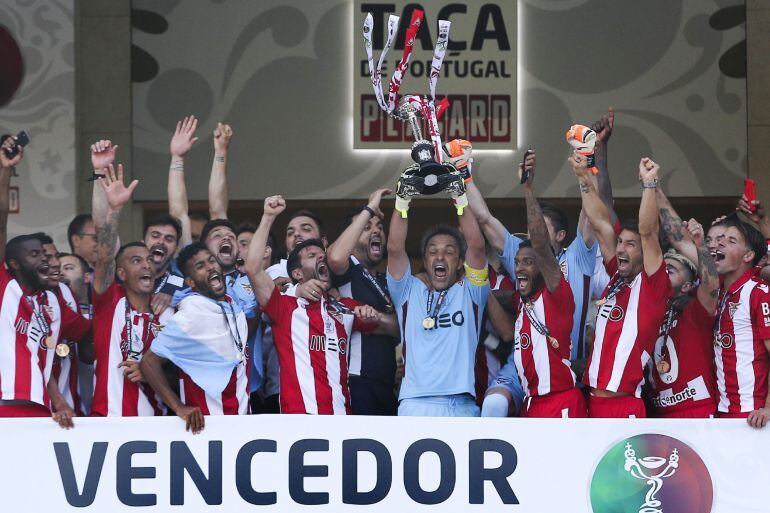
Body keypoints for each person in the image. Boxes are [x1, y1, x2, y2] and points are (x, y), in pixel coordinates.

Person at [244, 195, 398, 415]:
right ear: (297, 273)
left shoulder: (344, 308)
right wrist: (268, 217)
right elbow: (252, 268)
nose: (321, 258)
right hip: (300, 419)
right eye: (311, 255)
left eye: (322, 254)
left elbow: (395, 328)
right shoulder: (285, 306)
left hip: (342, 418)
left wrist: (376, 316)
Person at [465, 146, 598, 363]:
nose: (533, 232)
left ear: (561, 235)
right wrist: (464, 176)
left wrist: (587, 168)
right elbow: (484, 218)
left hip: (574, 370)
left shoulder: (578, 256)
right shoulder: (521, 254)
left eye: (541, 227)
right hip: (530, 373)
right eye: (531, 226)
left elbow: (591, 214)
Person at [483, 152, 585, 418]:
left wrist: (528, 189)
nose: (519, 268)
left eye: (528, 262)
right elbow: (504, 296)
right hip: (532, 404)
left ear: (543, 265)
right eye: (517, 263)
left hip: (561, 403)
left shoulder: (557, 294)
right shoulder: (522, 301)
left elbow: (540, 243)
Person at [0, 136, 90, 428]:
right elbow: (1, 219)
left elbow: (42, 355)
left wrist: (59, 399)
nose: (44, 260)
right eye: (33, 255)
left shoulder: (53, 300)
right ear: (14, 264)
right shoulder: (6, 286)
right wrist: (5, 171)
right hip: (4, 403)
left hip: (40, 407)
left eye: (44, 254)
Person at [575, 155, 671, 418]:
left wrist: (649, 185)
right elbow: (599, 223)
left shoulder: (652, 286)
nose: (620, 249)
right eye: (620, 242)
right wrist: (584, 179)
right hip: (592, 403)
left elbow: (648, 230)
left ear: (645, 253)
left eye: (630, 244)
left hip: (623, 405)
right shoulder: (617, 277)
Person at [387, 181, 490, 417]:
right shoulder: (408, 291)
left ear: (459, 261)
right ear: (425, 260)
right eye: (433, 252)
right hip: (414, 403)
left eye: (449, 252)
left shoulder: (471, 292)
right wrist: (402, 201)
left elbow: (476, 246)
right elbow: (394, 248)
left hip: (462, 403)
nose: (440, 256)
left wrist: (459, 196)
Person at [141, 242, 251, 433]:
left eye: (211, 261)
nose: (210, 267)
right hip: (208, 426)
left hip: (241, 422)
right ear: (191, 282)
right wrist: (179, 408)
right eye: (200, 266)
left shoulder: (232, 303)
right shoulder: (192, 311)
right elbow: (149, 362)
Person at [90, 164, 171, 417]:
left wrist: (151, 371)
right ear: (121, 273)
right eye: (136, 261)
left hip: (155, 425)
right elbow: (104, 257)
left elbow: (182, 369)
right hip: (107, 419)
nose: (146, 264)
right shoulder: (109, 301)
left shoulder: (169, 313)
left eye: (148, 260)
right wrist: (114, 210)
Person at [648, 187, 720, 418]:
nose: (663, 274)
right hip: (662, 414)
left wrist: (700, 246)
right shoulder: (650, 308)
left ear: (688, 286)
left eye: (671, 270)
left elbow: (711, 285)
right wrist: (653, 187)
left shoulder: (695, 308)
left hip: (697, 411)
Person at [326, 188, 399, 415]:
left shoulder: (387, 279)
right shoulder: (347, 271)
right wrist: (369, 209)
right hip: (355, 382)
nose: (375, 231)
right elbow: (336, 257)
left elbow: (402, 328)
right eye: (366, 228)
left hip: (387, 384)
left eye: (379, 227)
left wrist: (378, 320)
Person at [711, 214, 770, 427]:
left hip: (752, 416)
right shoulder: (718, 292)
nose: (720, 243)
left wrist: (768, 407)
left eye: (730, 241)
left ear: (748, 256)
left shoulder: (759, 292)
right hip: (722, 412)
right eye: (720, 239)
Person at [167, 116, 233, 246]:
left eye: (201, 237)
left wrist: (221, 152)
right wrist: (177, 158)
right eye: (193, 237)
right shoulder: (183, 255)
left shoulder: (219, 255)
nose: (197, 243)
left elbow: (217, 210)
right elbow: (177, 212)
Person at [59, 252, 95, 414]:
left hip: (105, 412)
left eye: (68, 268)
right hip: (68, 409)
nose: (60, 273)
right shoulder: (48, 315)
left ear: (87, 277)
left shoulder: (104, 315)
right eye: (57, 268)